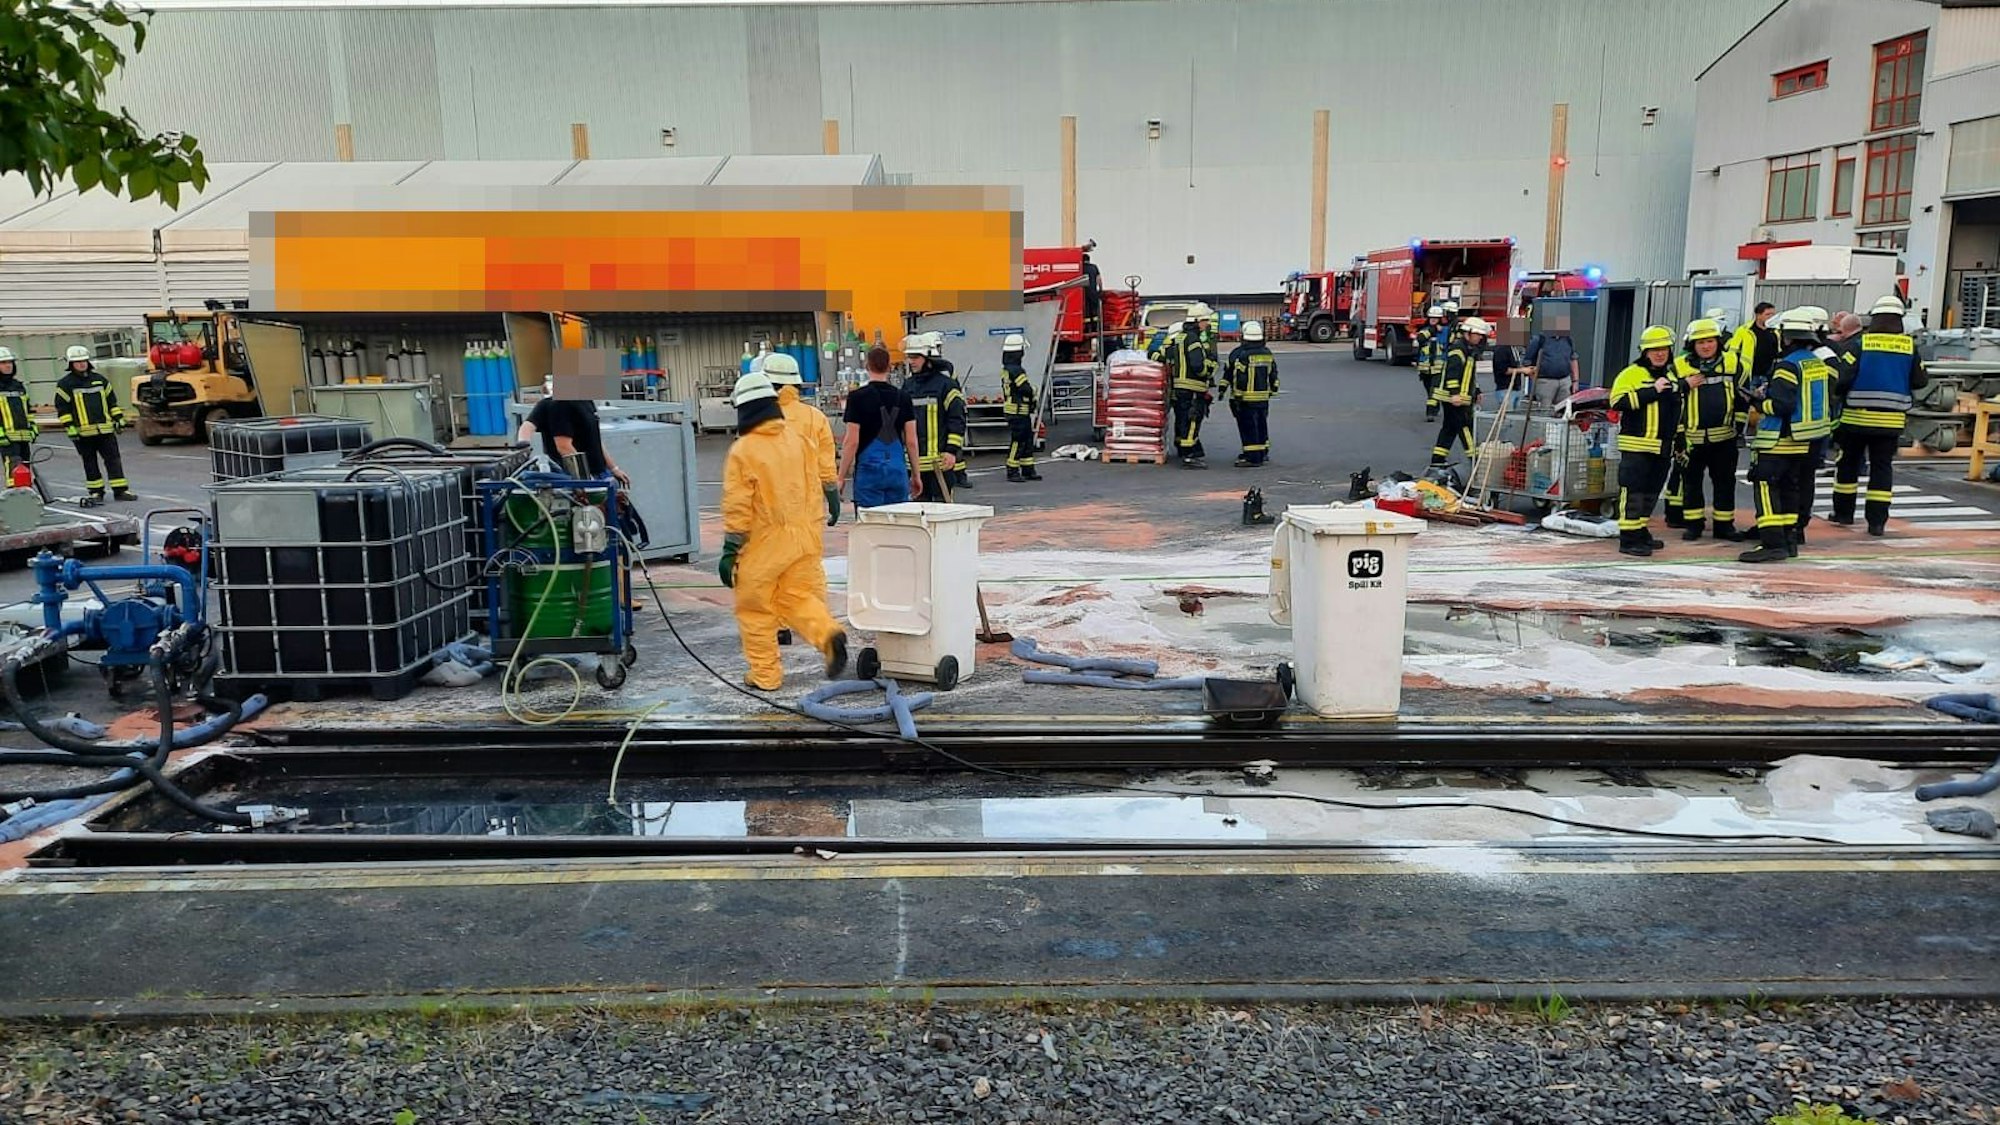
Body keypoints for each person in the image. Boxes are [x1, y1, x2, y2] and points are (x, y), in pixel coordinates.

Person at [720, 370, 848, 691]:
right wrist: (831, 497)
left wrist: (730, 550)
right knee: (797, 598)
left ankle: (765, 675)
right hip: (804, 539)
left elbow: (739, 506)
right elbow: (820, 474)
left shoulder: (744, 450)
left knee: (755, 609)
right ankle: (828, 634)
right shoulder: (799, 439)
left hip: (765, 543)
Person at [1738, 308, 1835, 563]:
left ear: (1787, 337)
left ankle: (1772, 543)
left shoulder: (1786, 366)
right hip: (1803, 441)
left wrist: (1759, 403)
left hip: (1778, 440)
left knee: (1767, 488)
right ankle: (1789, 540)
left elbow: (1781, 405)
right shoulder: (1814, 362)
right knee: (1790, 490)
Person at [1830, 295, 1928, 536]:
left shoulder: (1860, 344)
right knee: (1882, 469)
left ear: (1874, 319)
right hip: (1891, 421)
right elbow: (1920, 380)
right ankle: (1876, 522)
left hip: (1855, 419)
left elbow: (1843, 378)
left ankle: (1844, 513)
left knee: (1848, 465)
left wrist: (1839, 397)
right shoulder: (1909, 347)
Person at [1608, 325, 1684, 557]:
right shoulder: (1631, 374)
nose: (1660, 353)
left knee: (1651, 493)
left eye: (1664, 349)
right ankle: (1628, 538)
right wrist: (1652, 391)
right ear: (1645, 352)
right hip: (1637, 446)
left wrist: (1679, 440)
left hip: (1662, 448)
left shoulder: (1671, 375)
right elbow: (1616, 402)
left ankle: (1640, 532)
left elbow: (1676, 410)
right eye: (1654, 350)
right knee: (1633, 492)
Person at [1672, 318, 1743, 541]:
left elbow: (1742, 398)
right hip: (1692, 439)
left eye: (1710, 341)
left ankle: (1724, 525)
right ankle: (1694, 525)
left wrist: (1738, 427)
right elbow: (1672, 401)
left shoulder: (1733, 362)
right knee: (1691, 483)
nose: (1706, 346)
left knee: (1725, 482)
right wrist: (1679, 435)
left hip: (1724, 437)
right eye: (1700, 342)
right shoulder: (1679, 366)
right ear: (1691, 344)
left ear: (1718, 341)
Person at [763, 352, 841, 524]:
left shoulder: (758, 419)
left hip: (768, 514)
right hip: (807, 513)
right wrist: (834, 506)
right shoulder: (816, 417)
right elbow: (826, 471)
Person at [839, 345, 922, 508]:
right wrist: (916, 475)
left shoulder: (857, 397)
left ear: (867, 367)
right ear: (889, 367)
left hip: (869, 473)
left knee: (870, 525)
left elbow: (852, 442)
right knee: (899, 523)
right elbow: (911, 441)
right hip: (897, 471)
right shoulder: (903, 397)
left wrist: (840, 477)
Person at [52, 346, 135, 506]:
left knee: (113, 460)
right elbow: (63, 408)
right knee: (90, 462)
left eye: (84, 361)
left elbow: (112, 402)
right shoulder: (65, 384)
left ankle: (120, 490)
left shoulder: (100, 380)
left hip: (105, 430)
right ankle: (96, 492)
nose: (82, 364)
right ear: (71, 364)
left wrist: (118, 418)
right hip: (82, 433)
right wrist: (69, 426)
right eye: (77, 362)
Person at [517, 388, 632, 488]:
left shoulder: (587, 401)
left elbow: (595, 440)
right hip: (573, 478)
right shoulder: (559, 405)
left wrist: (613, 468)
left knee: (623, 510)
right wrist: (586, 481)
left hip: (600, 473)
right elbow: (563, 447)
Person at [902, 333, 967, 500]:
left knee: (942, 514)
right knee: (919, 518)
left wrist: (951, 451)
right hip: (914, 466)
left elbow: (957, 419)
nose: (911, 361)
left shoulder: (946, 385)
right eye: (909, 357)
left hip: (940, 464)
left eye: (915, 357)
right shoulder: (907, 386)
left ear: (929, 358)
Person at [1153, 314, 1215, 469]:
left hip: (1178, 389)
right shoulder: (1191, 341)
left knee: (1182, 418)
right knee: (1192, 419)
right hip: (1192, 387)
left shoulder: (1174, 346)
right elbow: (1198, 366)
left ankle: (1183, 447)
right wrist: (1207, 371)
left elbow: (1155, 356)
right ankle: (1189, 455)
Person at [1428, 316, 1490, 468]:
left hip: (1458, 397)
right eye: (1478, 335)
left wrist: (1476, 390)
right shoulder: (1458, 349)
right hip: (1454, 398)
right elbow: (1452, 374)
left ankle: (1437, 460)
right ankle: (1474, 460)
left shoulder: (1468, 350)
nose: (1480, 338)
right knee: (1465, 426)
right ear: (1468, 333)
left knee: (1449, 428)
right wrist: (1455, 394)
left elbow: (1468, 375)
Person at [919, 332, 974, 492]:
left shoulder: (944, 372)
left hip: (945, 414)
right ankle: (960, 476)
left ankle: (960, 475)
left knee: (954, 447)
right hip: (942, 418)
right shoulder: (947, 368)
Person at [1224, 319, 1279, 467]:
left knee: (1248, 427)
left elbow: (1238, 377)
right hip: (1262, 398)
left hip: (1246, 399)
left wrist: (1236, 396)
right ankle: (1262, 452)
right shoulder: (1267, 353)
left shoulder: (1240, 354)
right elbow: (1273, 373)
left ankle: (1252, 457)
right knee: (1261, 424)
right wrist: (1273, 389)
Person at [0, 347, 45, 501]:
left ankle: (26, 497)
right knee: (12, 468)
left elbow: (27, 410)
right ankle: (14, 499)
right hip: (6, 436)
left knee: (25, 467)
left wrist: (32, 427)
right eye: (3, 363)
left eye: (10, 362)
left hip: (23, 435)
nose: (8, 366)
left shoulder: (18, 386)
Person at [999, 333, 1042, 483]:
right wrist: (1034, 392)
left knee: (1027, 440)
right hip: (1017, 411)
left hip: (1016, 411)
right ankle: (1012, 470)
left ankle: (1028, 469)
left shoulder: (1008, 369)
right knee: (1018, 441)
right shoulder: (1017, 370)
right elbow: (1025, 388)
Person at [1521, 326, 1579, 408]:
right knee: (1545, 412)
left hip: (1565, 382)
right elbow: (1527, 362)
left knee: (1563, 411)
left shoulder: (1568, 339)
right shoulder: (1539, 340)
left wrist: (1575, 381)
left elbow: (1573, 359)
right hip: (1545, 382)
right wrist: (1535, 379)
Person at [1728, 302, 1780, 389]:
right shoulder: (1744, 331)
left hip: (1768, 376)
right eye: (1767, 314)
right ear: (1758, 315)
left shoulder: (1776, 332)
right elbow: (1732, 353)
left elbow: (1778, 353)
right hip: (1749, 376)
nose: (1771, 317)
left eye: (1773, 315)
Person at [1415, 305, 1447, 421]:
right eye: (1431, 317)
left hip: (1438, 368)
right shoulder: (1425, 330)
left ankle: (1430, 412)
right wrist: (1432, 329)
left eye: (1436, 318)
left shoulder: (1444, 331)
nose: (1433, 319)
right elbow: (1420, 339)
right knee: (1429, 389)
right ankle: (1435, 406)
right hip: (1425, 368)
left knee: (1434, 390)